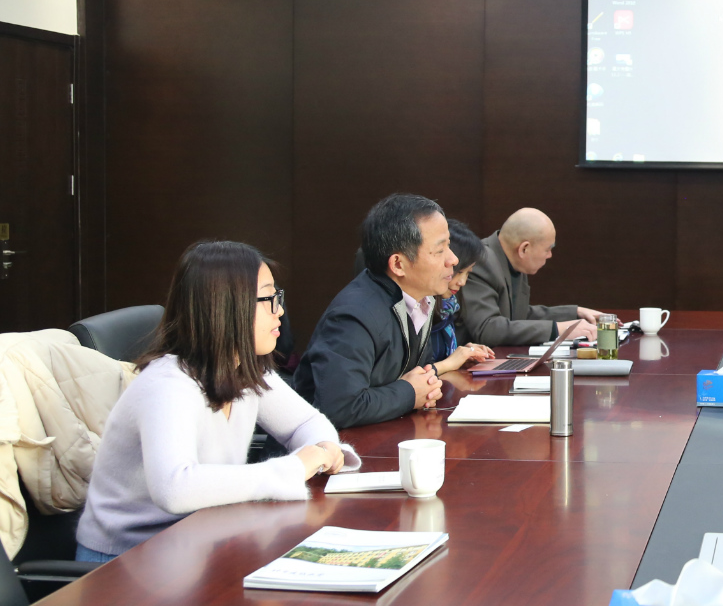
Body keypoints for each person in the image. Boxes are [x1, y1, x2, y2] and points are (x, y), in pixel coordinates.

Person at [75, 242, 354, 561]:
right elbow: (174, 488)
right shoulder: (168, 385)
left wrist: (323, 447)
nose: (279, 311)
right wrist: (292, 468)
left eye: (278, 297)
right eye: (268, 299)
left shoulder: (243, 368)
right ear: (226, 307)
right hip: (127, 559)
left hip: (199, 540)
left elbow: (306, 422)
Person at [294, 194, 456, 428]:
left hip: (387, 433)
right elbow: (340, 407)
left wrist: (427, 387)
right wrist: (410, 393)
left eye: (448, 245)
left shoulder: (420, 300)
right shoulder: (353, 316)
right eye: (439, 250)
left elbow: (419, 374)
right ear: (398, 264)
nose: (453, 259)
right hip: (325, 445)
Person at [460, 207, 612, 346]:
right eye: (547, 249)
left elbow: (519, 316)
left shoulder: (514, 260)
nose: (550, 255)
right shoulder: (481, 261)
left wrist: (575, 313)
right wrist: (559, 329)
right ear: (524, 249)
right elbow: (488, 329)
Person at [428, 219, 496, 374]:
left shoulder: (448, 305)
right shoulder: (418, 309)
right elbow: (414, 375)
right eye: (459, 272)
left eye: (467, 273)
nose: (462, 282)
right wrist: (451, 361)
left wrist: (462, 354)